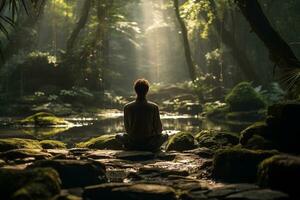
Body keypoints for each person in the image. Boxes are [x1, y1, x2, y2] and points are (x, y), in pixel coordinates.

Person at [116, 79, 168, 151]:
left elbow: (127, 129)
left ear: (135, 90)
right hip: (150, 144)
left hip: (133, 143)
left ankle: (130, 147)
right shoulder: (154, 107)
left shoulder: (127, 107)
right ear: (147, 90)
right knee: (166, 135)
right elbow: (158, 129)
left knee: (118, 136)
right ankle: (152, 148)